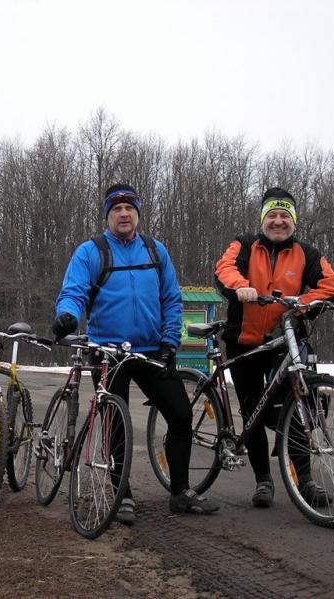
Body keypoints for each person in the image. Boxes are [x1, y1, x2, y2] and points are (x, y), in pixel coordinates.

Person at [52, 183, 220, 523]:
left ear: (138, 214)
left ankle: (181, 492)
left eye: (130, 208)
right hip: (108, 352)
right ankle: (120, 492)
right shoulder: (91, 251)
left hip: (151, 349)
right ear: (108, 216)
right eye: (116, 209)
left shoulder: (156, 251)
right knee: (116, 421)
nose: (124, 214)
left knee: (180, 414)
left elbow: (171, 298)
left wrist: (170, 341)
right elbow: (73, 291)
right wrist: (67, 315)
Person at [213, 187, 334, 508]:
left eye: (285, 216)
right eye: (272, 215)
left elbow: (331, 284)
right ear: (263, 219)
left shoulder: (306, 254)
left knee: (294, 412)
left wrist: (301, 305)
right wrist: (243, 288)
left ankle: (306, 482)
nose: (279, 221)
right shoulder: (244, 245)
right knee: (252, 412)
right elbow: (224, 269)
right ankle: (263, 481)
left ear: (294, 222)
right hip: (243, 344)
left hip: (285, 342)